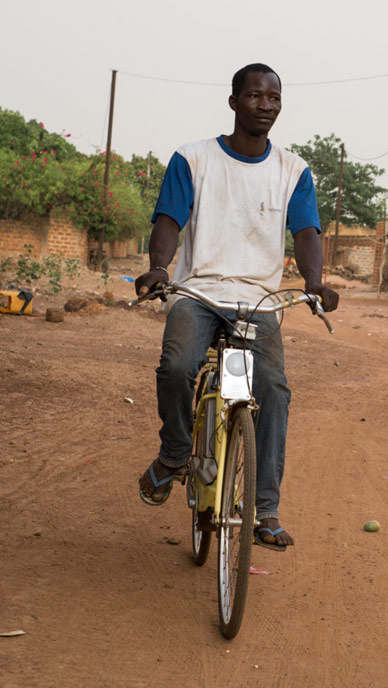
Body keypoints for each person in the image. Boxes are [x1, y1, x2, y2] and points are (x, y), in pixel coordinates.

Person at [135, 63, 339, 550]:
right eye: (255, 96)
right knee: (177, 365)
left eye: (274, 98)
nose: (265, 105)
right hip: (199, 292)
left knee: (274, 389)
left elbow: (306, 231)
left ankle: (264, 509)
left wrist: (315, 282)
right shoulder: (193, 159)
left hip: (259, 301)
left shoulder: (293, 170)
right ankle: (175, 451)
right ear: (233, 102)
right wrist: (160, 268)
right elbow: (169, 220)